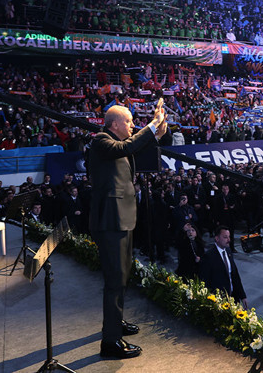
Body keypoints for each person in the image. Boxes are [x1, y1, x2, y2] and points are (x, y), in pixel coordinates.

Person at [88, 101, 167, 359]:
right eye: (129, 121)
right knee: (114, 280)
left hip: (122, 219)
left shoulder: (120, 146)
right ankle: (110, 342)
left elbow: (140, 147)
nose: (133, 125)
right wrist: (152, 125)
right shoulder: (101, 140)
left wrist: (158, 130)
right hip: (111, 222)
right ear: (114, 124)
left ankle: (115, 322)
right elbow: (128, 145)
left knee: (122, 276)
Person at [199, 226, 248, 306]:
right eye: (225, 237)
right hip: (219, 302)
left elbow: (235, 275)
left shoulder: (228, 251)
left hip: (233, 298)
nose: (229, 240)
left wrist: (242, 296)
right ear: (217, 238)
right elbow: (205, 281)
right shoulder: (208, 256)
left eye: (229, 237)